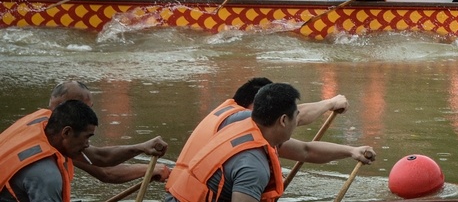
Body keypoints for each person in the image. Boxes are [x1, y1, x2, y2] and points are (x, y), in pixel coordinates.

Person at [165, 83, 375, 202]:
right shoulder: (253, 166)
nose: (298, 120)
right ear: (283, 121)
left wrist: (351, 151)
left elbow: (306, 150)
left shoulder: (247, 126)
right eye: (296, 117)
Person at [5, 81, 172, 184]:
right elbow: (106, 171)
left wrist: (142, 148)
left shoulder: (41, 122)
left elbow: (100, 157)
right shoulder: (59, 139)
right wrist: (152, 169)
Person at [171, 77, 350, 173]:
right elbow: (297, 116)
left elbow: (305, 151)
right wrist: (330, 103)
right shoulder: (241, 122)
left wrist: (352, 151)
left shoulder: (242, 126)